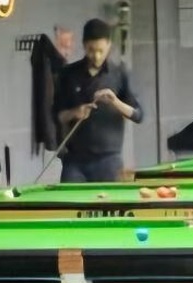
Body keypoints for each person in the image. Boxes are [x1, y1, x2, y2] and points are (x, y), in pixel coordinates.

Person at [52, 18, 143, 183]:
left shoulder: (119, 73)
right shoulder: (68, 74)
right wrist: (75, 112)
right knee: (69, 198)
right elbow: (57, 116)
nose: (96, 56)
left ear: (109, 45)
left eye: (101, 50)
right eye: (91, 50)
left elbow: (138, 115)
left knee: (109, 200)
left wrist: (115, 101)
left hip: (109, 161)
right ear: (84, 45)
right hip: (75, 161)